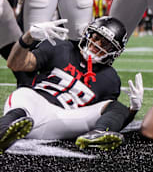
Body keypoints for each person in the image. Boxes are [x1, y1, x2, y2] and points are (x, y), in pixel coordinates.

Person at [0, 17, 143, 153]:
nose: (97, 45)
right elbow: (16, 64)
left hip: (65, 120)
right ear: (87, 34)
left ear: (114, 52)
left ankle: (98, 135)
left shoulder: (110, 79)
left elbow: (114, 117)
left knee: (114, 106)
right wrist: (28, 37)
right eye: (96, 38)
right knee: (23, 94)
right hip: (34, 106)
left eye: (105, 44)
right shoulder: (60, 47)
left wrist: (133, 109)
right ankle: (4, 131)